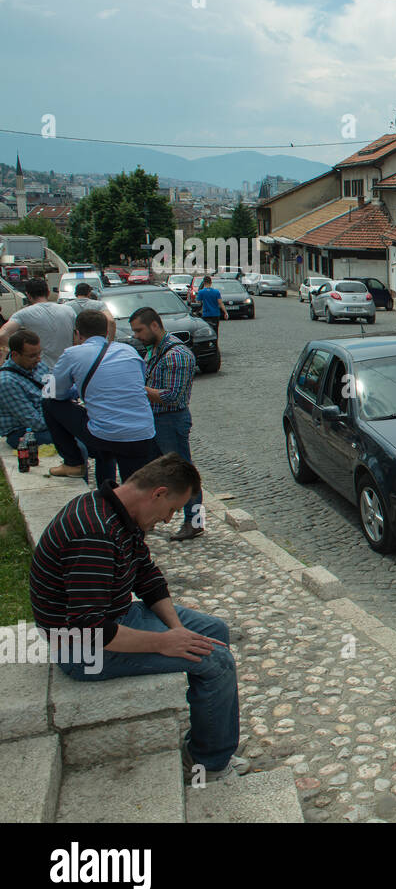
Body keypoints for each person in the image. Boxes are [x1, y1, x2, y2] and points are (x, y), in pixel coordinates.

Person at [29, 453, 247, 781]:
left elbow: (147, 577)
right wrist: (164, 642)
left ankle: (207, 736)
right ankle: (207, 764)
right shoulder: (95, 533)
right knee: (216, 661)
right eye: (172, 510)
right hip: (80, 650)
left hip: (115, 617)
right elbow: (89, 629)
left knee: (214, 630)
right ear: (157, 493)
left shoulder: (116, 510)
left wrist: (177, 632)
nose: (169, 519)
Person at [43, 309, 157, 486]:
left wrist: (76, 390)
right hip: (142, 433)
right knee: (134, 485)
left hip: (104, 436)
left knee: (48, 403)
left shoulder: (72, 354)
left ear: (77, 334)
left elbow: (52, 392)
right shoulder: (129, 350)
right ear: (106, 332)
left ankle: (74, 463)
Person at [130, 306, 203, 541]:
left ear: (154, 325)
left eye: (139, 330)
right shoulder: (152, 350)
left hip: (170, 420)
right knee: (152, 472)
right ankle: (149, 517)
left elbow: (171, 396)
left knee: (185, 474)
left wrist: (135, 388)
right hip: (153, 419)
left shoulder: (177, 355)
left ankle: (196, 522)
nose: (136, 336)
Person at [0, 278, 77, 368]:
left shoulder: (23, 314)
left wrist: (14, 351)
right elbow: (76, 339)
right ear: (48, 292)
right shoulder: (69, 310)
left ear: (28, 295)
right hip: (66, 366)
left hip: (40, 368)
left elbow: (2, 334)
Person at [0, 328, 54, 450]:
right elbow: (36, 423)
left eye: (39, 353)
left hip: (50, 417)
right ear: (15, 355)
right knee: (73, 438)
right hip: (23, 432)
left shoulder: (38, 365)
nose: (38, 359)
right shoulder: (7, 382)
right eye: (32, 356)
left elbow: (53, 391)